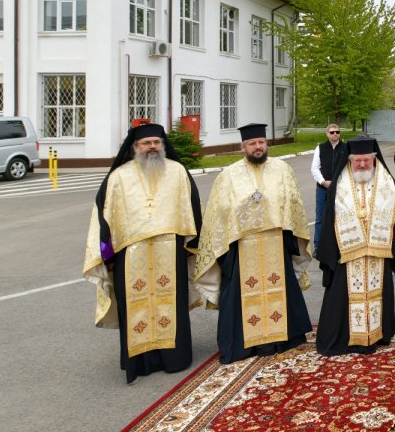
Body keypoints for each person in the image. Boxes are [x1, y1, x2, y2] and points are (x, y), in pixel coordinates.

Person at [82, 123, 201, 383]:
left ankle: (175, 358)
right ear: (135, 147)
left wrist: (194, 245)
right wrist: (107, 255)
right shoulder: (118, 177)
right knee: (136, 306)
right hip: (130, 256)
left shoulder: (178, 172)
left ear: (163, 145)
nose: (152, 147)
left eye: (156, 142)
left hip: (170, 252)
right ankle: (141, 361)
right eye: (146, 143)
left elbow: (192, 209)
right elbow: (104, 219)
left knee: (171, 302)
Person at [193, 123, 313, 363]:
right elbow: (217, 214)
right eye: (252, 144)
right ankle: (244, 344)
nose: (258, 147)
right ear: (243, 147)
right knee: (240, 295)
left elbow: (294, 205)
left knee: (280, 290)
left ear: (266, 143)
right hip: (242, 246)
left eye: (261, 142)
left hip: (277, 244)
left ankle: (282, 339)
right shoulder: (228, 175)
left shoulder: (282, 169)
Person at [316, 136, 395, 355]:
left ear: (374, 159)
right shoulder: (339, 183)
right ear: (350, 161)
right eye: (358, 161)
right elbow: (329, 217)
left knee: (378, 294)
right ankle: (344, 339)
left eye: (367, 160)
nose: (363, 165)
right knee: (341, 297)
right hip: (346, 253)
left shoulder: (385, 181)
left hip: (378, 251)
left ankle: (377, 335)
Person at [310, 123, 348, 255]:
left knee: (340, 217)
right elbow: (315, 168)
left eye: (337, 132)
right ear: (327, 134)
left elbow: (348, 168)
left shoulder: (345, 148)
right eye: (332, 132)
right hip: (322, 189)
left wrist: (339, 182)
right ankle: (318, 246)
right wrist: (323, 181)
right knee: (321, 217)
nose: (335, 134)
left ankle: (340, 245)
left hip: (340, 189)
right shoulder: (320, 148)